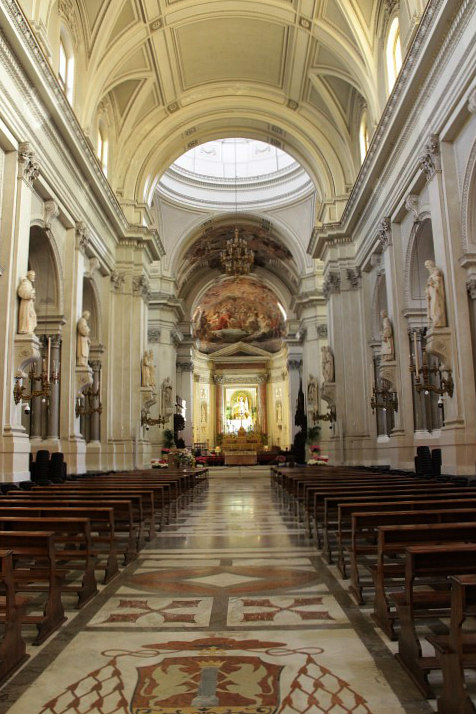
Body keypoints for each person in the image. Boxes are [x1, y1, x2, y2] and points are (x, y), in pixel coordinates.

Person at [425, 260, 447, 327]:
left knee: (435, 306)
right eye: (426, 266)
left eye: (427, 265)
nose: (427, 267)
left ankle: (437, 321)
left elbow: (437, 283)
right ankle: (434, 320)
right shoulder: (431, 275)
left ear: (431, 265)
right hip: (431, 294)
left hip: (436, 293)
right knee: (432, 308)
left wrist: (431, 283)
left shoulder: (436, 272)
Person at [17, 270, 37, 334]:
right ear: (28, 276)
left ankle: (29, 329)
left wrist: (33, 296)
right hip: (26, 303)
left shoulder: (30, 284)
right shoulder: (25, 283)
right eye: (32, 275)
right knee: (27, 317)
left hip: (29, 303)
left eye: (34, 276)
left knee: (32, 316)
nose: (33, 277)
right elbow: (21, 292)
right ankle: (25, 329)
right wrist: (31, 293)